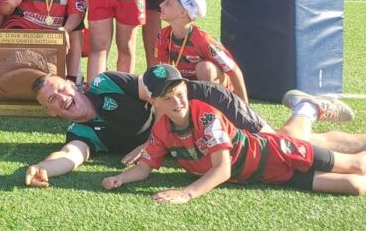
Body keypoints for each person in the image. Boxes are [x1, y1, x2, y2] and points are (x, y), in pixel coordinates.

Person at [23, 68, 363, 188]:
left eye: (60, 88)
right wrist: (43, 168)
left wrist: (155, 140)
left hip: (201, 103)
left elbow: (159, 92)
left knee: (281, 142)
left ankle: (308, 106)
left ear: (73, 84)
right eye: (52, 100)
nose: (61, 97)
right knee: (305, 142)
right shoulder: (81, 134)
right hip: (189, 132)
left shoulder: (105, 83)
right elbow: (69, 156)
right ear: (53, 113)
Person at [103, 66, 366, 201]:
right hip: (268, 175)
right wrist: (121, 178)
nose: (178, 102)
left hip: (277, 152)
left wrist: (187, 194)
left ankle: (308, 107)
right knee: (354, 186)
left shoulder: (205, 117)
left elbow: (222, 170)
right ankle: (307, 108)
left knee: (356, 166)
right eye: (168, 98)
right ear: (154, 101)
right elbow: (145, 168)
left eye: (180, 94)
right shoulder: (161, 130)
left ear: (186, 88)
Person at [155, 0, 247, 102]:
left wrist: (244, 108)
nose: (161, 4)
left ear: (183, 13)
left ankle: (209, 107)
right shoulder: (163, 35)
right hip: (186, 85)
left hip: (220, 90)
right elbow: (163, 70)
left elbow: (234, 71)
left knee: (204, 68)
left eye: (168, 2)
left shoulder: (204, 41)